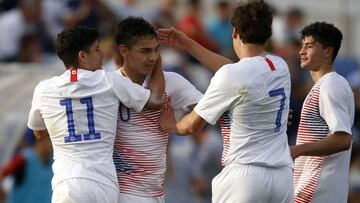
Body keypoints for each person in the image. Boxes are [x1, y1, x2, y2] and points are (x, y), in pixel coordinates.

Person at [158, 0, 294, 202]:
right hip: (282, 177)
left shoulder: (233, 75)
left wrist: (172, 125)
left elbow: (191, 126)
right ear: (268, 36)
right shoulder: (279, 66)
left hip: (245, 176)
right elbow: (235, 71)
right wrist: (188, 43)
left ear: (235, 33)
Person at [27, 25, 165, 203]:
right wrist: (157, 62)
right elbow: (155, 101)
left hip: (66, 184)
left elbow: (38, 132)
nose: (102, 55)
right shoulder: (109, 79)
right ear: (82, 56)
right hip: (102, 184)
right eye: (97, 49)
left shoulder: (44, 88)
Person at [112, 17, 203, 203]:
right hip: (117, 193)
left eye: (156, 50)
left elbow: (210, 110)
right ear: (124, 51)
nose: (152, 57)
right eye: (145, 51)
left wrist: (178, 127)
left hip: (155, 195)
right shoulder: (108, 85)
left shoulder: (173, 82)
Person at [291, 22, 354, 203]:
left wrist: (297, 150)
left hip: (317, 189)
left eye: (309, 46)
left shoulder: (330, 85)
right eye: (302, 46)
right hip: (315, 188)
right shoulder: (325, 85)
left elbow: (343, 139)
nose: (302, 51)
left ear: (328, 51)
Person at [0, 128, 53, 203]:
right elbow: (2, 173)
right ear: (40, 139)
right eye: (50, 139)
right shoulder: (23, 158)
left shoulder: (56, 161)